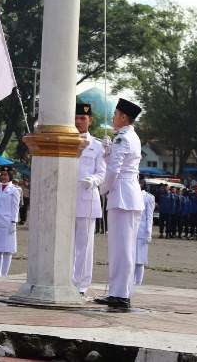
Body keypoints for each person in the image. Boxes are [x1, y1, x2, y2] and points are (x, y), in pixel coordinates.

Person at [94, 98, 143, 309]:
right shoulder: (129, 137)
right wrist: (106, 152)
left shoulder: (122, 138)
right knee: (122, 247)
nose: (113, 117)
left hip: (122, 194)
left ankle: (121, 294)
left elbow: (115, 170)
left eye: (115, 114)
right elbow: (117, 164)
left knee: (121, 248)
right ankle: (118, 292)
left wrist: (103, 188)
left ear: (124, 117)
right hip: (128, 194)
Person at [72, 102, 105, 296]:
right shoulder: (66, 141)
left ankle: (82, 285)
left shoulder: (98, 146)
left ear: (90, 120)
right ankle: (65, 281)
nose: (78, 122)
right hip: (67, 198)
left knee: (85, 245)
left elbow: (102, 173)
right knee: (65, 244)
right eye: (76, 118)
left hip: (86, 197)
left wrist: (92, 180)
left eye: (82, 118)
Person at [134, 182, 155, 285]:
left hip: (141, 231)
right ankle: (130, 281)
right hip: (131, 230)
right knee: (130, 259)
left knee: (139, 260)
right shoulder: (131, 193)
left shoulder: (148, 197)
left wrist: (148, 232)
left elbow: (149, 217)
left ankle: (138, 282)